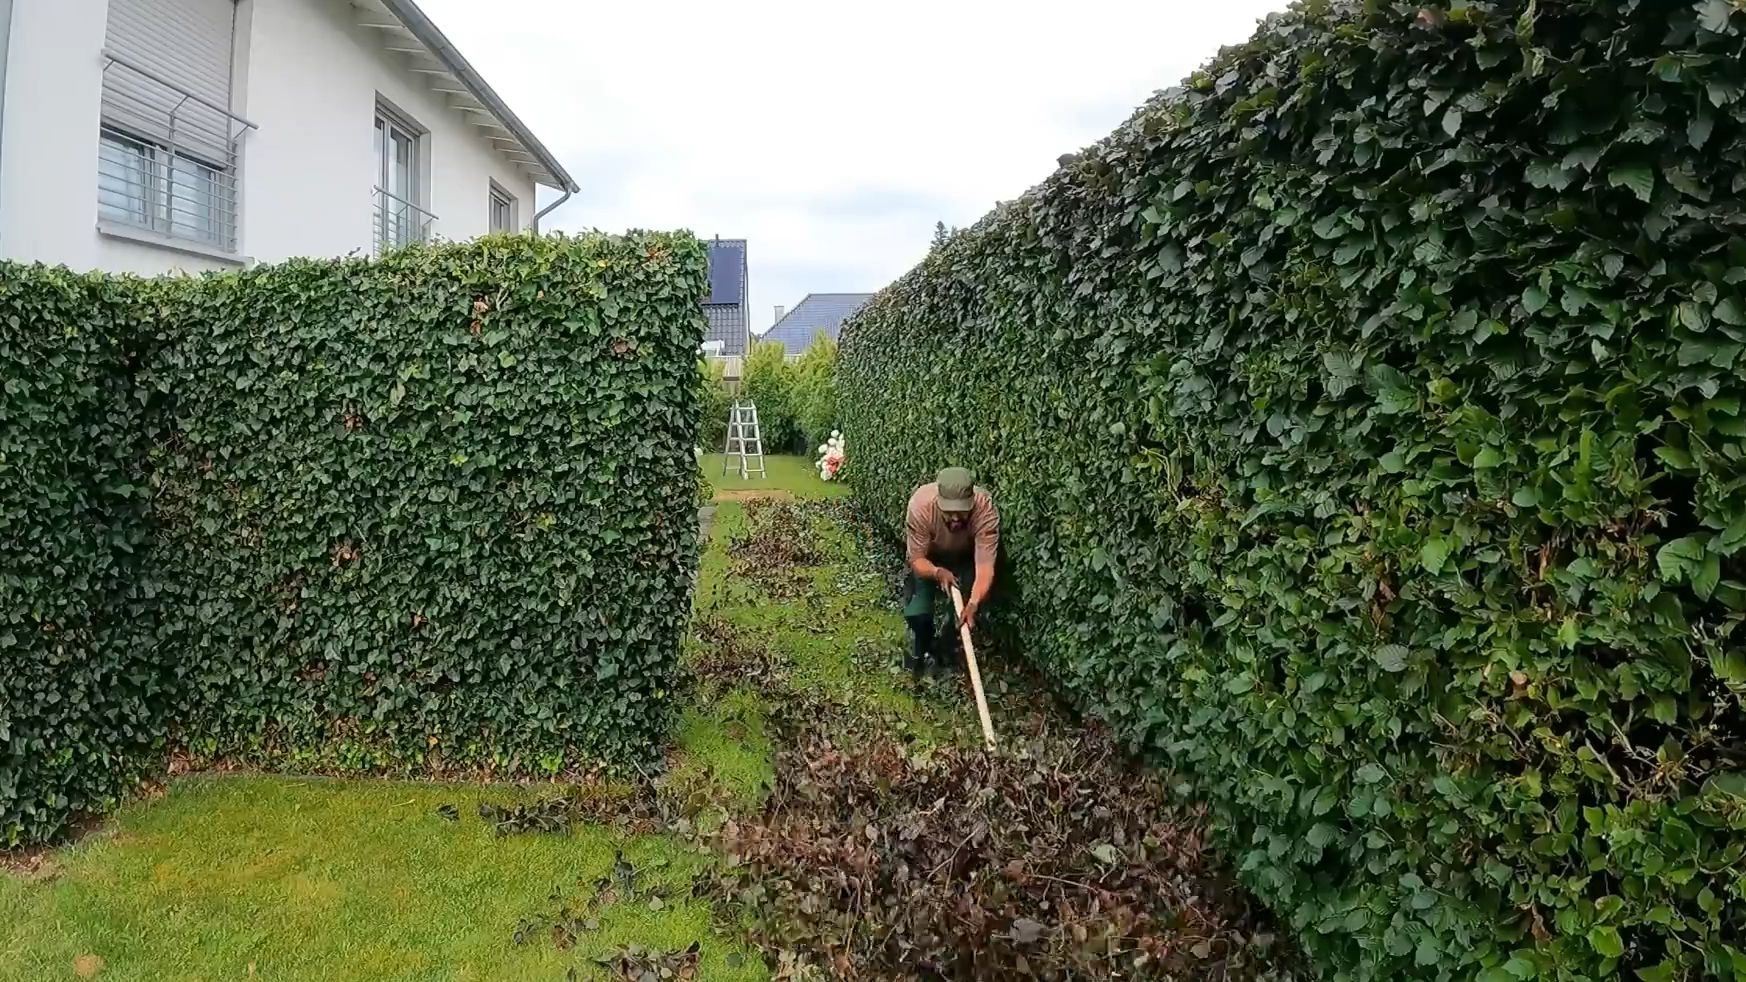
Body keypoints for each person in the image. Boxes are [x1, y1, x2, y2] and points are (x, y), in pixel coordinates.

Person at [903, 467, 1000, 677]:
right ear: (938, 501)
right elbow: (918, 559)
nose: (956, 517)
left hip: (965, 558)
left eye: (962, 511)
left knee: (958, 618)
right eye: (949, 511)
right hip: (930, 559)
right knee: (917, 614)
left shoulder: (985, 510)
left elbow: (984, 567)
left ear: (972, 501)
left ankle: (945, 655)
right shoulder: (920, 506)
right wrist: (937, 572)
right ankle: (920, 650)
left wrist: (973, 603)